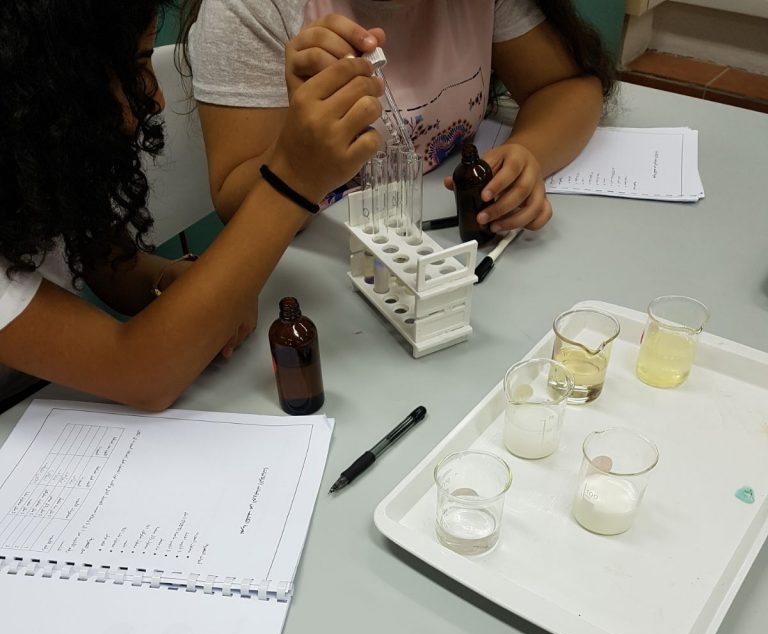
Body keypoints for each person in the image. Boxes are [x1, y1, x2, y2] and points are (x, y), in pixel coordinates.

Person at [0, 0, 382, 411]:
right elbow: (140, 374)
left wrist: (179, 282)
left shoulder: (34, 162)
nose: (156, 98)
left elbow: (108, 262)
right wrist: (294, 178)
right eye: (136, 66)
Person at [183, 0, 616, 234]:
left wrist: (527, 153)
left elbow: (566, 87)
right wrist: (299, 158)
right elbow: (236, 208)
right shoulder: (253, 9)